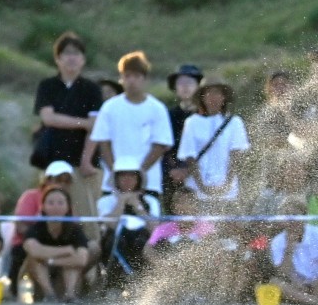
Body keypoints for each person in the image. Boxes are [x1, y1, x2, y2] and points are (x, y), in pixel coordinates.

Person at [33, 31, 103, 240]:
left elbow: (96, 128)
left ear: (83, 59)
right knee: (50, 215)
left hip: (82, 162)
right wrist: (82, 123)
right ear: (57, 58)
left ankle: (90, 267)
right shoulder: (47, 86)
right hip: (52, 161)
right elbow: (48, 118)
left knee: (86, 217)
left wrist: (86, 160)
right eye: (66, 53)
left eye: (76, 53)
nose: (71, 58)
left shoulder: (91, 89)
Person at [83, 51, 172, 199]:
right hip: (113, 183)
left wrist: (139, 175)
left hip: (148, 182)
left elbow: (160, 145)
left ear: (145, 79)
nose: (132, 81)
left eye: (136, 76)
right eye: (127, 76)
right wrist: (117, 174)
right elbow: (103, 143)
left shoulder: (157, 108)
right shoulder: (109, 107)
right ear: (121, 78)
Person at [177, 78, 249, 209]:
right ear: (202, 98)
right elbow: (189, 157)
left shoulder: (235, 122)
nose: (212, 97)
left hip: (228, 190)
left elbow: (236, 155)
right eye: (208, 93)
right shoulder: (192, 122)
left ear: (224, 97)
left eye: (217, 93)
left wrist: (227, 184)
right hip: (196, 190)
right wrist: (202, 187)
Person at [96, 157, 160, 292]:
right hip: (115, 239)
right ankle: (114, 285)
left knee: (141, 243)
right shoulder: (105, 201)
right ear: (116, 179)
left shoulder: (150, 201)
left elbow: (155, 229)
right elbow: (110, 226)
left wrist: (137, 206)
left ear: (138, 179)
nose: (127, 180)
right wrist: (121, 202)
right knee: (117, 243)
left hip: (141, 238)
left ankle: (139, 284)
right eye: (123, 176)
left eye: (132, 176)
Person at [23, 186, 91, 303]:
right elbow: (33, 250)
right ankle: (49, 295)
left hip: (62, 269)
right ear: (43, 207)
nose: (55, 207)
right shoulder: (36, 228)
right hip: (43, 273)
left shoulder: (75, 229)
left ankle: (70, 294)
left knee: (72, 262)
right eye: (51, 203)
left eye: (60, 203)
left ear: (68, 207)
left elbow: (82, 259)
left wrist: (51, 261)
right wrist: (66, 250)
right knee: (33, 259)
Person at [163, 63, 203, 206]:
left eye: (190, 82)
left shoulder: (205, 116)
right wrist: (173, 169)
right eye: (180, 83)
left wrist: (188, 169)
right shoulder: (168, 115)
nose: (185, 87)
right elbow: (164, 146)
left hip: (201, 174)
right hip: (173, 176)